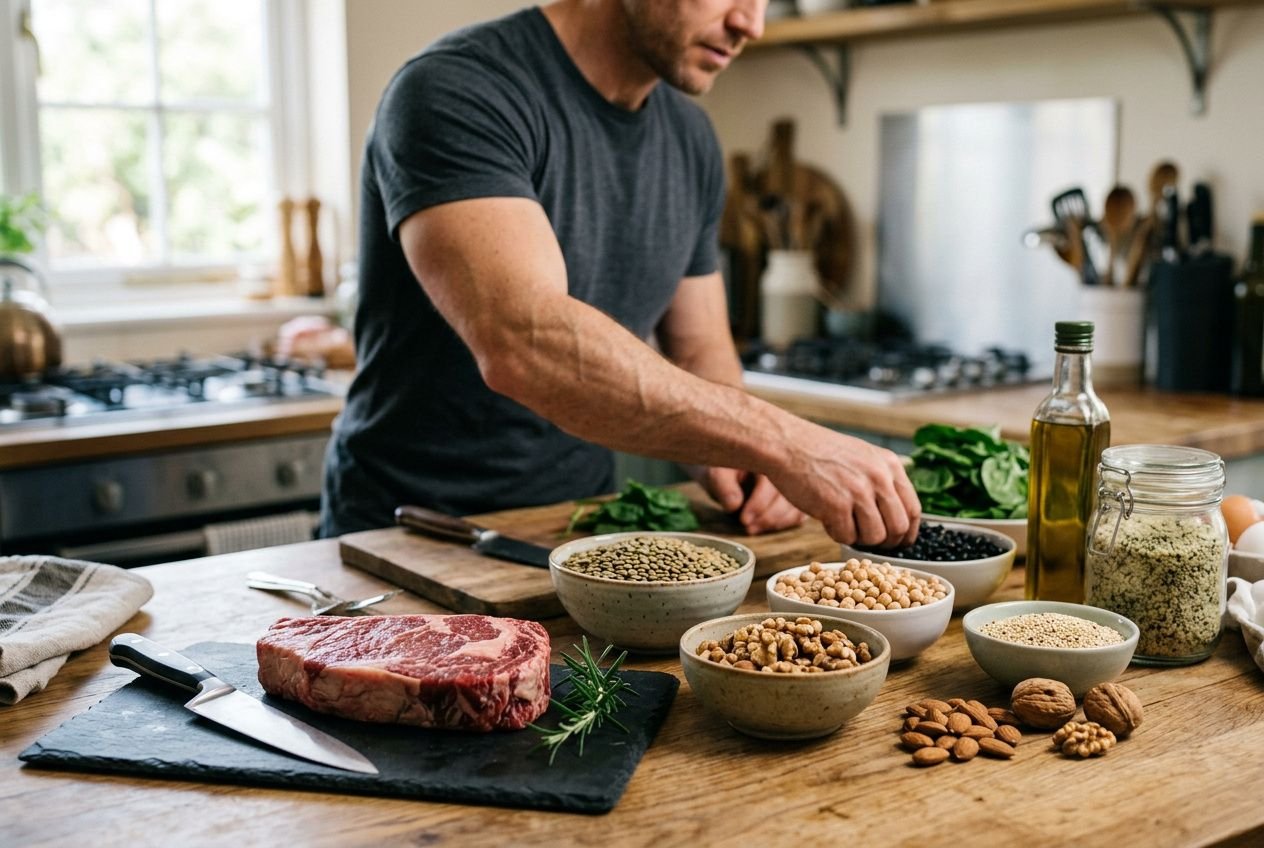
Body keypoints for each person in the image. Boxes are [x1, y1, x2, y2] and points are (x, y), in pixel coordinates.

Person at [320, 0, 921, 547]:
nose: (751, 23)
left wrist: (743, 459)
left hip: (577, 528)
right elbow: (526, 342)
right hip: (404, 534)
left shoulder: (690, 137)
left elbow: (699, 351)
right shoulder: (457, 88)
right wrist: (785, 443)